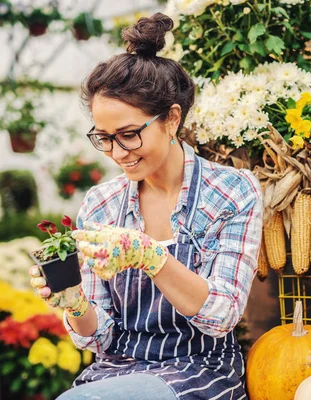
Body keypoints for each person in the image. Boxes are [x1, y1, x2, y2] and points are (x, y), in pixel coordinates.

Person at [29, 12, 263, 400]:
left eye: (129, 135)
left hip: (199, 370)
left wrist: (148, 255)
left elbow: (222, 314)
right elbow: (99, 337)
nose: (117, 153)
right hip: (118, 371)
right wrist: (73, 301)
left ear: (171, 119)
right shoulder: (102, 204)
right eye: (103, 138)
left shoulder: (231, 192)